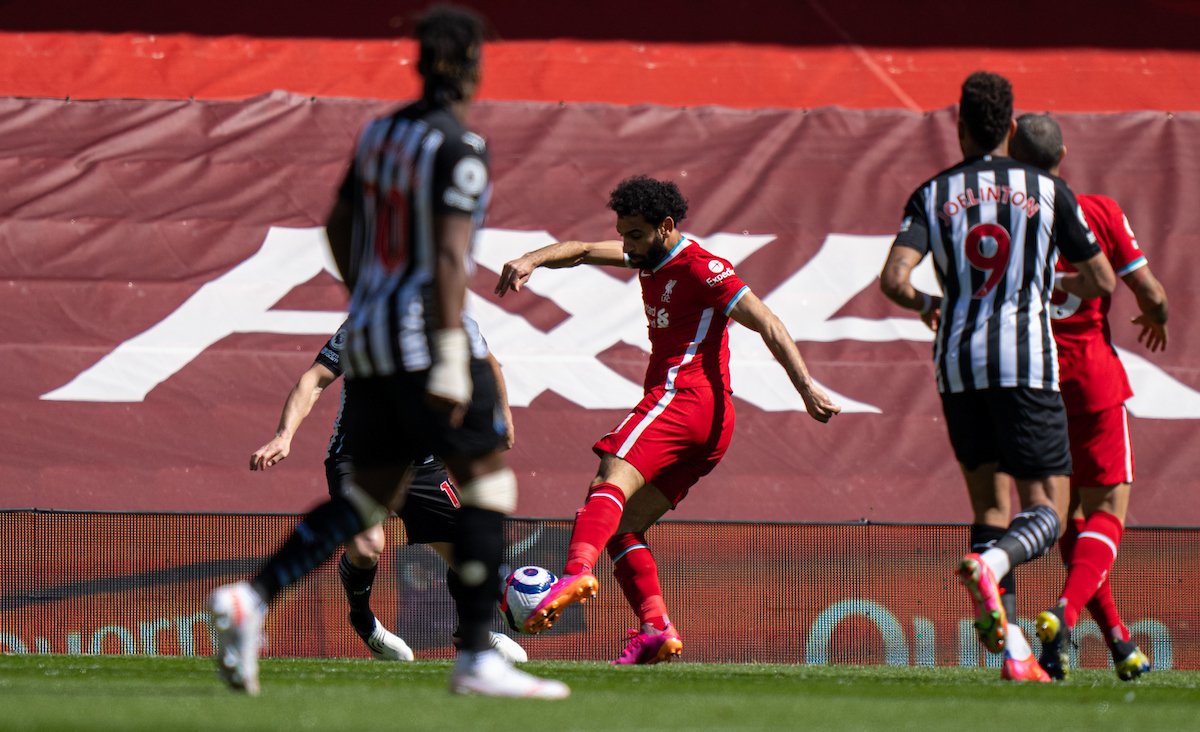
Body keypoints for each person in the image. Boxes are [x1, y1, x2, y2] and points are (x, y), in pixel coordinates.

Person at [206, 5, 569, 698]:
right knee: (490, 480)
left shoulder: (379, 135)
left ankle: (252, 597)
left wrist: (368, 295)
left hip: (369, 339)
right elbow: (452, 256)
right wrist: (449, 353)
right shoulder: (462, 147)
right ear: (470, 67)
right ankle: (476, 657)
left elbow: (339, 223)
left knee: (370, 498)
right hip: (425, 340)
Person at [495, 175, 840, 664]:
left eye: (634, 234)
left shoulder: (702, 268)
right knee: (621, 529)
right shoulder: (646, 255)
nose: (626, 244)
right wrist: (531, 259)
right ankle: (656, 627)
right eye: (623, 233)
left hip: (685, 398)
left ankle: (573, 575)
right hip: (713, 426)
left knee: (609, 476)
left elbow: (768, 321)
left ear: (666, 226)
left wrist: (805, 386)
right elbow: (579, 251)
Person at [879, 72, 1116, 682]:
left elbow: (894, 279)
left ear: (958, 127)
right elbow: (1102, 281)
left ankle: (1015, 653)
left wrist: (928, 306)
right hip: (1026, 364)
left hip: (957, 364)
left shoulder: (931, 194)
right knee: (1048, 512)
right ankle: (993, 569)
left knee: (990, 506)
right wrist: (1051, 284)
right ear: (1011, 127)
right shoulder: (1048, 189)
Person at [249, 317, 527, 665]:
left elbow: (487, 364)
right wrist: (284, 434)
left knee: (470, 549)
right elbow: (315, 378)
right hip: (359, 456)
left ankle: (472, 636)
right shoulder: (368, 320)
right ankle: (363, 621)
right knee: (368, 547)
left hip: (423, 462)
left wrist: (503, 417)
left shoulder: (457, 320)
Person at [1008, 113, 1166, 681]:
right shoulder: (1097, 211)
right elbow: (1148, 292)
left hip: (1035, 385)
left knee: (1066, 519)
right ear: (1064, 153)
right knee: (1107, 514)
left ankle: (1118, 642)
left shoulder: (1006, 223)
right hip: (1092, 382)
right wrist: (1158, 316)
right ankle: (1063, 613)